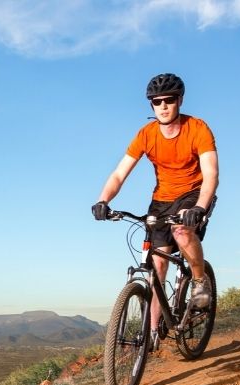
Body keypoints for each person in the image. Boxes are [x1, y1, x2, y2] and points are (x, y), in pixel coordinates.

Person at [92, 73, 219, 350]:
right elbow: (119, 174)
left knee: (183, 233)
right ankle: (151, 336)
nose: (163, 106)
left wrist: (199, 207)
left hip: (193, 194)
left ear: (179, 101)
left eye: (169, 100)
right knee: (156, 263)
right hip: (161, 200)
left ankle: (199, 282)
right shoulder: (146, 134)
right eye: (156, 102)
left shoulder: (197, 128)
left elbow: (211, 174)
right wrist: (103, 200)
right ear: (151, 105)